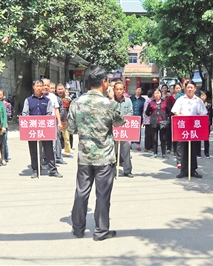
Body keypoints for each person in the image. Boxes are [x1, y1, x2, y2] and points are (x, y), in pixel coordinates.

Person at [67, 65, 125, 241]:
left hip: (84, 156)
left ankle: (78, 228)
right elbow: (120, 122)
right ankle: (100, 231)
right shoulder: (110, 104)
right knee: (102, 195)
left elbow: (70, 128)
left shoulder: (76, 103)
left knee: (81, 192)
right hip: (104, 157)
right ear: (104, 82)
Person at [22, 80, 63, 178]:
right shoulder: (28, 100)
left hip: (45, 129)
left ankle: (52, 170)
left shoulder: (47, 100)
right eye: (37, 86)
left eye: (41, 86)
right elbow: (25, 114)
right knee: (33, 150)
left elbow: (49, 114)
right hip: (32, 129)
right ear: (33, 87)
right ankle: (35, 170)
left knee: (49, 149)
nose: (39, 88)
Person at [171, 80, 207, 179]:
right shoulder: (181, 99)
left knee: (194, 149)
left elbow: (203, 114)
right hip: (183, 129)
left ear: (195, 89)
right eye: (188, 87)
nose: (190, 89)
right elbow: (175, 111)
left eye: (192, 87)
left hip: (195, 128)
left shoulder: (198, 101)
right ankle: (183, 170)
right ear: (185, 89)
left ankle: (193, 170)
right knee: (183, 148)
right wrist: (181, 116)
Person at [42, 79, 66, 165]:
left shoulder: (53, 97)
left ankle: (54, 159)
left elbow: (57, 110)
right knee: (43, 142)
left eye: (48, 86)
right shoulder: (38, 96)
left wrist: (59, 122)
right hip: (41, 123)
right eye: (44, 85)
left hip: (52, 122)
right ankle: (45, 158)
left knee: (54, 142)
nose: (46, 87)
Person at [114, 80, 134, 178]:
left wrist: (123, 120)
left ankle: (127, 170)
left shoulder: (128, 101)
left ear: (124, 90)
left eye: (121, 89)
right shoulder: (110, 101)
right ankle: (112, 170)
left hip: (125, 131)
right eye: (117, 89)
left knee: (127, 149)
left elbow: (130, 113)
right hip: (113, 130)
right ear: (114, 90)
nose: (119, 91)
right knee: (113, 151)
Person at [145, 88, 170, 159]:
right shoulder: (151, 103)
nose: (157, 94)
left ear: (161, 94)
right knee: (154, 138)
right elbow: (147, 112)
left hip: (163, 123)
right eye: (156, 93)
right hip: (154, 123)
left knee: (163, 138)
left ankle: (164, 153)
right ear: (154, 95)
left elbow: (168, 111)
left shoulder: (164, 102)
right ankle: (155, 153)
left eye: (158, 93)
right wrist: (151, 116)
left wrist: (164, 116)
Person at [196, 90, 213, 158]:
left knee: (206, 139)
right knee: (198, 139)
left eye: (204, 95)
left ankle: (207, 153)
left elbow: (211, 115)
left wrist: (211, 124)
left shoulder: (209, 105)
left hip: (207, 123)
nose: (203, 97)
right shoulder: (197, 104)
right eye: (202, 95)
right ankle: (198, 153)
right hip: (199, 123)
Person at [57, 83, 72, 157]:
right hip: (57, 121)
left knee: (66, 138)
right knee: (57, 138)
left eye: (61, 89)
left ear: (64, 90)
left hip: (66, 120)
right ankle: (57, 153)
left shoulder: (68, 99)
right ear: (56, 90)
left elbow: (71, 110)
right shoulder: (54, 98)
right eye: (59, 89)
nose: (60, 91)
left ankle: (67, 152)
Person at [130, 86, 145, 151]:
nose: (138, 91)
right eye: (137, 90)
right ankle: (129, 144)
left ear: (141, 92)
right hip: (131, 116)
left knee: (138, 131)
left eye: (140, 90)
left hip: (139, 117)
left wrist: (144, 119)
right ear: (135, 90)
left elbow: (144, 110)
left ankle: (138, 145)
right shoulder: (131, 98)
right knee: (130, 130)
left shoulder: (143, 100)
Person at [0, 90, 11, 161]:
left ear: (3, 96)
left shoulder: (6, 104)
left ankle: (6, 157)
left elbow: (9, 114)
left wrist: (3, 113)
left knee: (4, 141)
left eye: (0, 95)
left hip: (4, 125)